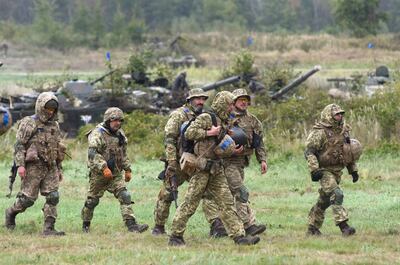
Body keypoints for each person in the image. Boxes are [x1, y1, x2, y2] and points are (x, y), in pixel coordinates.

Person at [168, 91, 260, 246]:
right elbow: (189, 133)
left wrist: (230, 146)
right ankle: (175, 236)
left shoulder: (224, 121)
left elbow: (219, 145)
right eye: (230, 104)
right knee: (190, 203)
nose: (232, 107)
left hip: (216, 169)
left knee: (227, 203)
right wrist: (209, 132)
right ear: (223, 104)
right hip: (201, 169)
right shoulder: (206, 117)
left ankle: (239, 236)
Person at [202, 88, 267, 237]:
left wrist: (262, 159)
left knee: (228, 195)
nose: (244, 103)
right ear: (233, 102)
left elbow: (259, 142)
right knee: (240, 191)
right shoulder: (225, 118)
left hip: (240, 162)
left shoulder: (253, 121)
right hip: (224, 161)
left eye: (246, 100)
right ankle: (247, 224)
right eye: (240, 100)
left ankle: (225, 226)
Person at [5, 92, 65, 236]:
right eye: (48, 109)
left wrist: (59, 168)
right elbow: (19, 145)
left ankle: (49, 229)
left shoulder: (55, 125)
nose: (50, 112)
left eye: (53, 109)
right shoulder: (29, 122)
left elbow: (57, 147)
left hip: (50, 167)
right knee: (27, 200)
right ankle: (11, 212)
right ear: (40, 107)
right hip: (33, 167)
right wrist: (20, 165)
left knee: (53, 196)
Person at [80, 107, 148, 233]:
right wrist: (103, 167)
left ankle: (132, 226)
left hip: (115, 174)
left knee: (125, 196)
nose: (118, 123)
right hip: (99, 176)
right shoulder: (97, 133)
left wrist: (127, 169)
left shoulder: (120, 135)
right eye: (114, 120)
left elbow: (123, 154)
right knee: (92, 201)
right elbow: (92, 153)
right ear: (107, 120)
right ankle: (86, 224)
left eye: (120, 120)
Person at [152, 88, 208, 235]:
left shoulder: (204, 116)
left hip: (197, 162)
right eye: (197, 99)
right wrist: (171, 162)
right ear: (189, 100)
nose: (201, 102)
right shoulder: (178, 115)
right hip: (178, 162)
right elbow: (169, 140)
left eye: (203, 99)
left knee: (207, 191)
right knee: (167, 194)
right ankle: (159, 226)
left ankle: (217, 226)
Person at [305, 104, 360, 236]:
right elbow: (309, 151)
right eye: (337, 114)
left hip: (337, 172)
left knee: (324, 201)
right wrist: (314, 169)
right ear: (329, 115)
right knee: (337, 194)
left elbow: (347, 152)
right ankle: (344, 226)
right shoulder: (320, 132)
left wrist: (353, 170)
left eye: (341, 114)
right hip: (324, 171)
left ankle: (312, 228)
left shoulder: (344, 131)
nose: (340, 116)